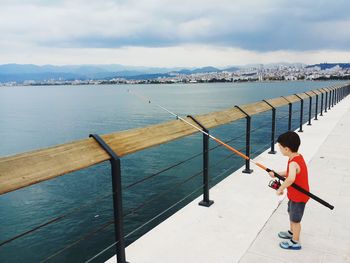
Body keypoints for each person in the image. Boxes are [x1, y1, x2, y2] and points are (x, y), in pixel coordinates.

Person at [269, 131, 310, 250]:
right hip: (294, 195)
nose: (280, 149)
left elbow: (291, 178)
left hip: (299, 197)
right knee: (291, 213)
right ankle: (292, 232)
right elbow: (291, 173)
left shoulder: (293, 163)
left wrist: (280, 189)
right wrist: (276, 174)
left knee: (295, 220)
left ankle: (295, 242)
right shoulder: (297, 157)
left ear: (286, 149)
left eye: (280, 148)